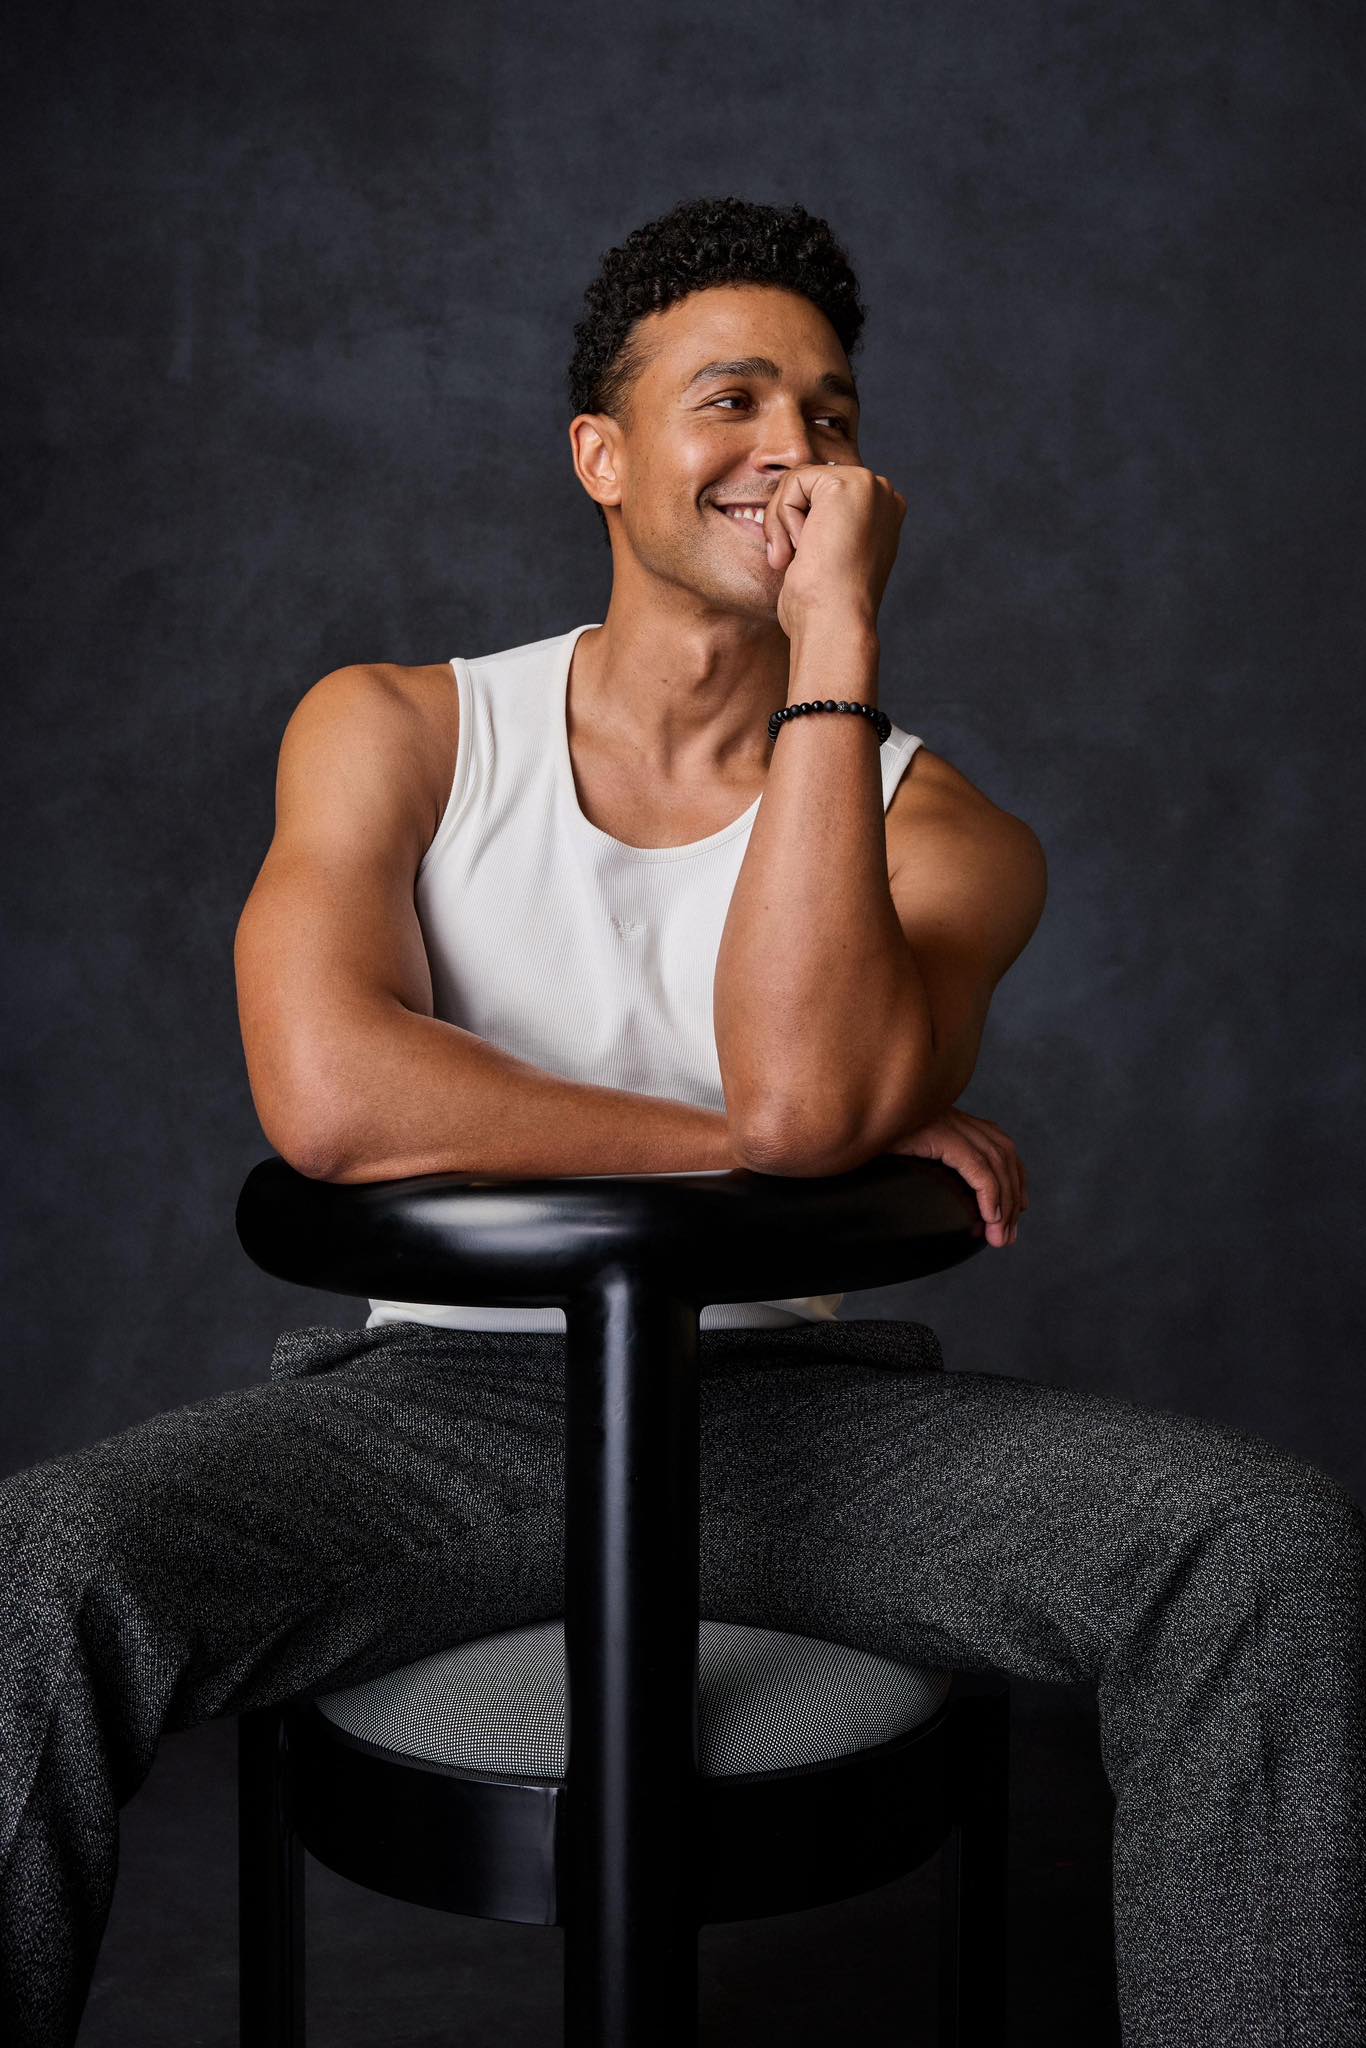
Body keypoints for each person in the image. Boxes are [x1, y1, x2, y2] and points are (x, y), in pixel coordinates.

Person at [2, 193, 1362, 2047]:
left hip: (791, 1428)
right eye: (732, 400)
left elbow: (803, 1093)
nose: (792, 446)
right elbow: (329, 1096)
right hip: (436, 1418)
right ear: (602, 456)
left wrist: (835, 640)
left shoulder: (942, 829)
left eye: (831, 413)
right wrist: (753, 1147)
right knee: (39, 1562)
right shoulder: (396, 727)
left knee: (1260, 1544)